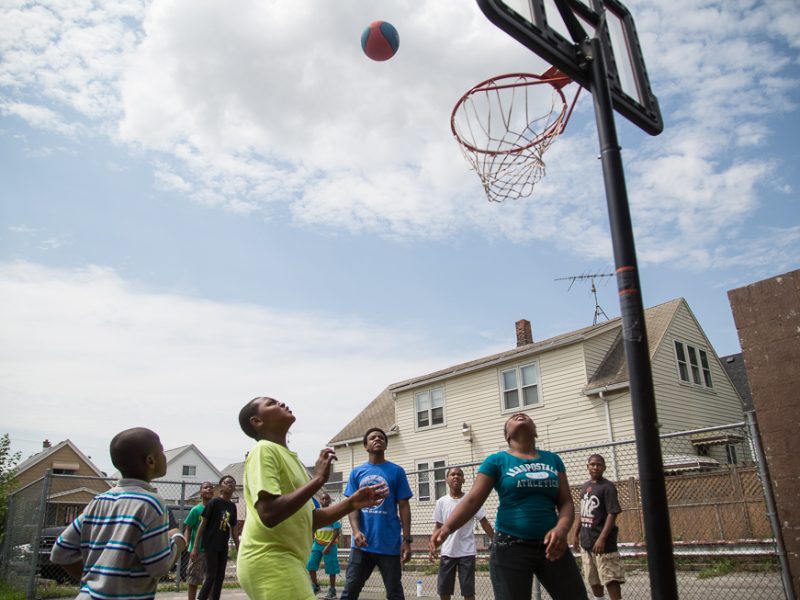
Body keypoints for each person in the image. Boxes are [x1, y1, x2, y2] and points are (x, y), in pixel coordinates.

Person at [236, 396, 388, 599]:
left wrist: (352, 503)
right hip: (270, 559)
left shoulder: (293, 461)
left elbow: (309, 519)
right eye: (271, 403)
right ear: (257, 421)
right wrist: (317, 480)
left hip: (289, 560)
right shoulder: (263, 450)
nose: (281, 402)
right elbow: (269, 513)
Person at [430, 413, 586, 600]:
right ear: (507, 435)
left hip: (552, 545)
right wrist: (447, 528)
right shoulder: (496, 461)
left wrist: (562, 529)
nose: (519, 415)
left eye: (526, 416)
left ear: (535, 431)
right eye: (512, 418)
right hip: (510, 547)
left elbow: (566, 502)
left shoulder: (552, 460)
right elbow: (472, 500)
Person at [50, 427, 187, 599]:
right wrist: (178, 540)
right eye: (162, 451)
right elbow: (159, 566)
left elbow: (61, 551)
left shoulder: (98, 501)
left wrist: (96, 583)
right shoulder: (151, 503)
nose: (165, 456)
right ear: (150, 460)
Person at [340, 427, 413, 600]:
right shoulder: (357, 472)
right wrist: (356, 531)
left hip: (389, 545)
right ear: (366, 446)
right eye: (372, 437)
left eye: (381, 437)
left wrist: (407, 540)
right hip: (361, 545)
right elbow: (352, 506)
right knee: (349, 592)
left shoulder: (396, 471)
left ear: (386, 445)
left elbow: (404, 506)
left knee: (395, 594)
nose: (377, 439)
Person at [430, 466, 494, 600]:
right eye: (452, 474)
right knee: (444, 591)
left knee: (468, 592)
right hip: (447, 552)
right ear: (446, 480)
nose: (456, 477)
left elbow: (484, 522)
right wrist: (433, 545)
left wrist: (495, 540)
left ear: (464, 480)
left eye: (459, 474)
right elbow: (438, 526)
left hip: (467, 552)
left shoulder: (471, 500)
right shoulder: (441, 502)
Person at [573, 454, 625, 600]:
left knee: (610, 578)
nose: (595, 467)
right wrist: (576, 535)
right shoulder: (585, 487)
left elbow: (612, 513)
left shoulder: (607, 487)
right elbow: (583, 512)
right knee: (593, 579)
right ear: (587, 466)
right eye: (593, 464)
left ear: (604, 468)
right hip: (587, 542)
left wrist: (602, 538)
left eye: (599, 465)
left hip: (603, 544)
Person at [192, 475, 240, 600]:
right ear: (221, 486)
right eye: (227, 482)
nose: (230, 484)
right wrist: (195, 546)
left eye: (233, 483)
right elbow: (202, 525)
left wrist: (238, 547)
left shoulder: (232, 506)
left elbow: (234, 529)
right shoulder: (214, 502)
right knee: (211, 576)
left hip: (222, 545)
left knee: (220, 577)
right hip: (210, 545)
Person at [183, 481, 215, 600]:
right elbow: (189, 528)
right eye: (206, 487)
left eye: (211, 488)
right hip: (197, 550)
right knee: (194, 579)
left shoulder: (215, 509)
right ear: (201, 492)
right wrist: (187, 542)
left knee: (211, 579)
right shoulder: (196, 510)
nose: (209, 489)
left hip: (211, 550)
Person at [307, 492, 341, 598]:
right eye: (322, 499)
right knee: (310, 566)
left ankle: (332, 590)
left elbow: (336, 530)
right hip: (317, 544)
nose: (324, 501)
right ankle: (315, 586)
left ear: (330, 501)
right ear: (320, 501)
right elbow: (314, 528)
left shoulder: (332, 513)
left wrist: (329, 545)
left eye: (327, 499)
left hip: (330, 545)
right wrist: (312, 540)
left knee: (331, 568)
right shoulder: (316, 513)